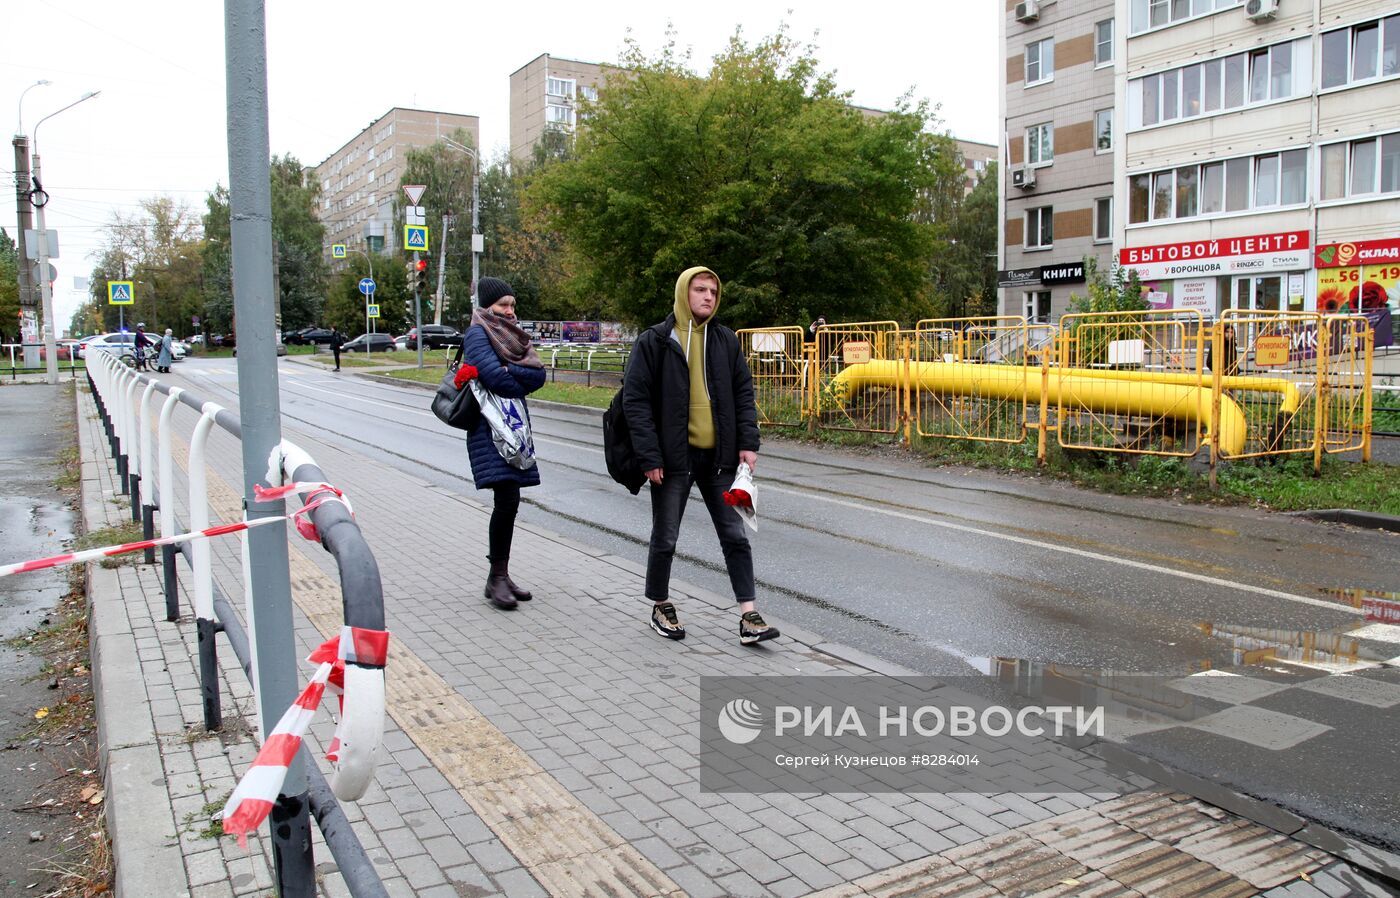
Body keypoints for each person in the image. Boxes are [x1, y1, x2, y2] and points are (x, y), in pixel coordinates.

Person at [622, 267, 778, 646]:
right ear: (683, 294)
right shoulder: (656, 341)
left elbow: (743, 394)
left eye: (713, 291)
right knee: (667, 536)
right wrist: (649, 455)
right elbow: (635, 401)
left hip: (720, 459)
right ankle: (661, 603)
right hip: (673, 460)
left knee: (734, 536)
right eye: (700, 290)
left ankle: (748, 615)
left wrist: (748, 444)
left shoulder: (724, 340)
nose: (708, 297)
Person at [462, 277, 547, 610]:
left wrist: (506, 371)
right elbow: (492, 376)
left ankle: (500, 574)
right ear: (488, 307)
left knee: (510, 501)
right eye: (503, 306)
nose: (510, 312)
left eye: (512, 305)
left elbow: (539, 375)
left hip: (513, 426)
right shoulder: (477, 333)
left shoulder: (513, 336)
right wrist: (511, 374)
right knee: (507, 497)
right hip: (489, 428)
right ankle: (497, 577)